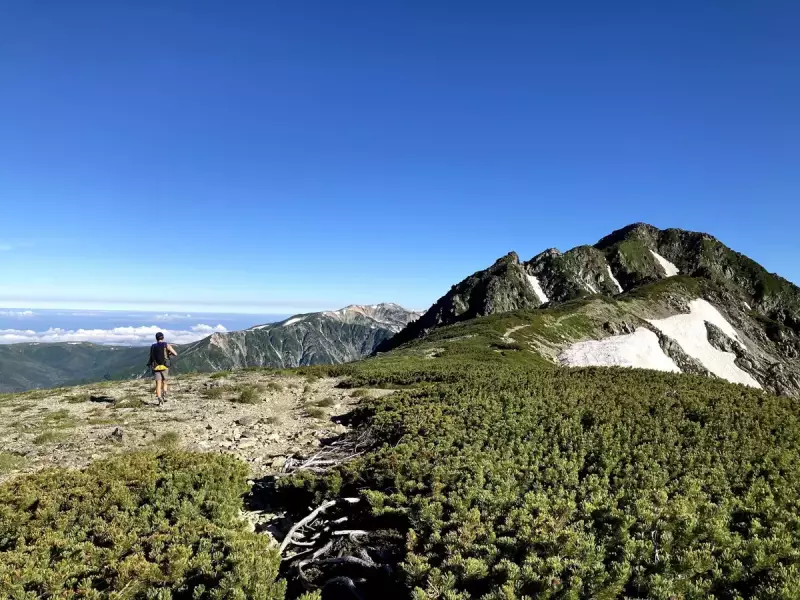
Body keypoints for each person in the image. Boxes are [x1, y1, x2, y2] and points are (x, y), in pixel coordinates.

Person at [149, 332, 177, 404]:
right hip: (165, 366)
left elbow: (151, 356)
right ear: (163, 337)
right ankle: (164, 394)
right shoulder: (166, 345)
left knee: (158, 383)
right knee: (165, 382)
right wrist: (169, 353)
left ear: (156, 338)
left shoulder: (153, 346)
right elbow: (175, 354)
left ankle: (159, 398)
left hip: (156, 367)